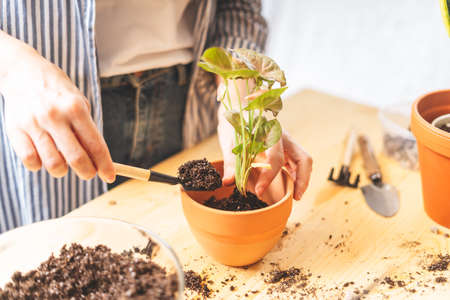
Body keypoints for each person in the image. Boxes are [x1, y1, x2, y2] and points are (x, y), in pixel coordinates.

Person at [0, 0, 312, 233]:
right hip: (53, 110)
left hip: (188, 102)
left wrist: (240, 95)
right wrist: (13, 66)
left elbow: (237, 6)